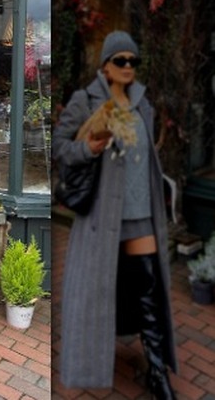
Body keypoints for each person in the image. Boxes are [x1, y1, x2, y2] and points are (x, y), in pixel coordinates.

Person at [53, 30, 176, 399]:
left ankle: (157, 372)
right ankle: (91, 359)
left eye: (132, 61)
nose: (127, 67)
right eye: (120, 60)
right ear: (105, 66)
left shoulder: (143, 105)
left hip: (141, 210)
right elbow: (60, 147)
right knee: (98, 289)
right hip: (101, 217)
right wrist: (89, 149)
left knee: (150, 287)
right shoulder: (86, 100)